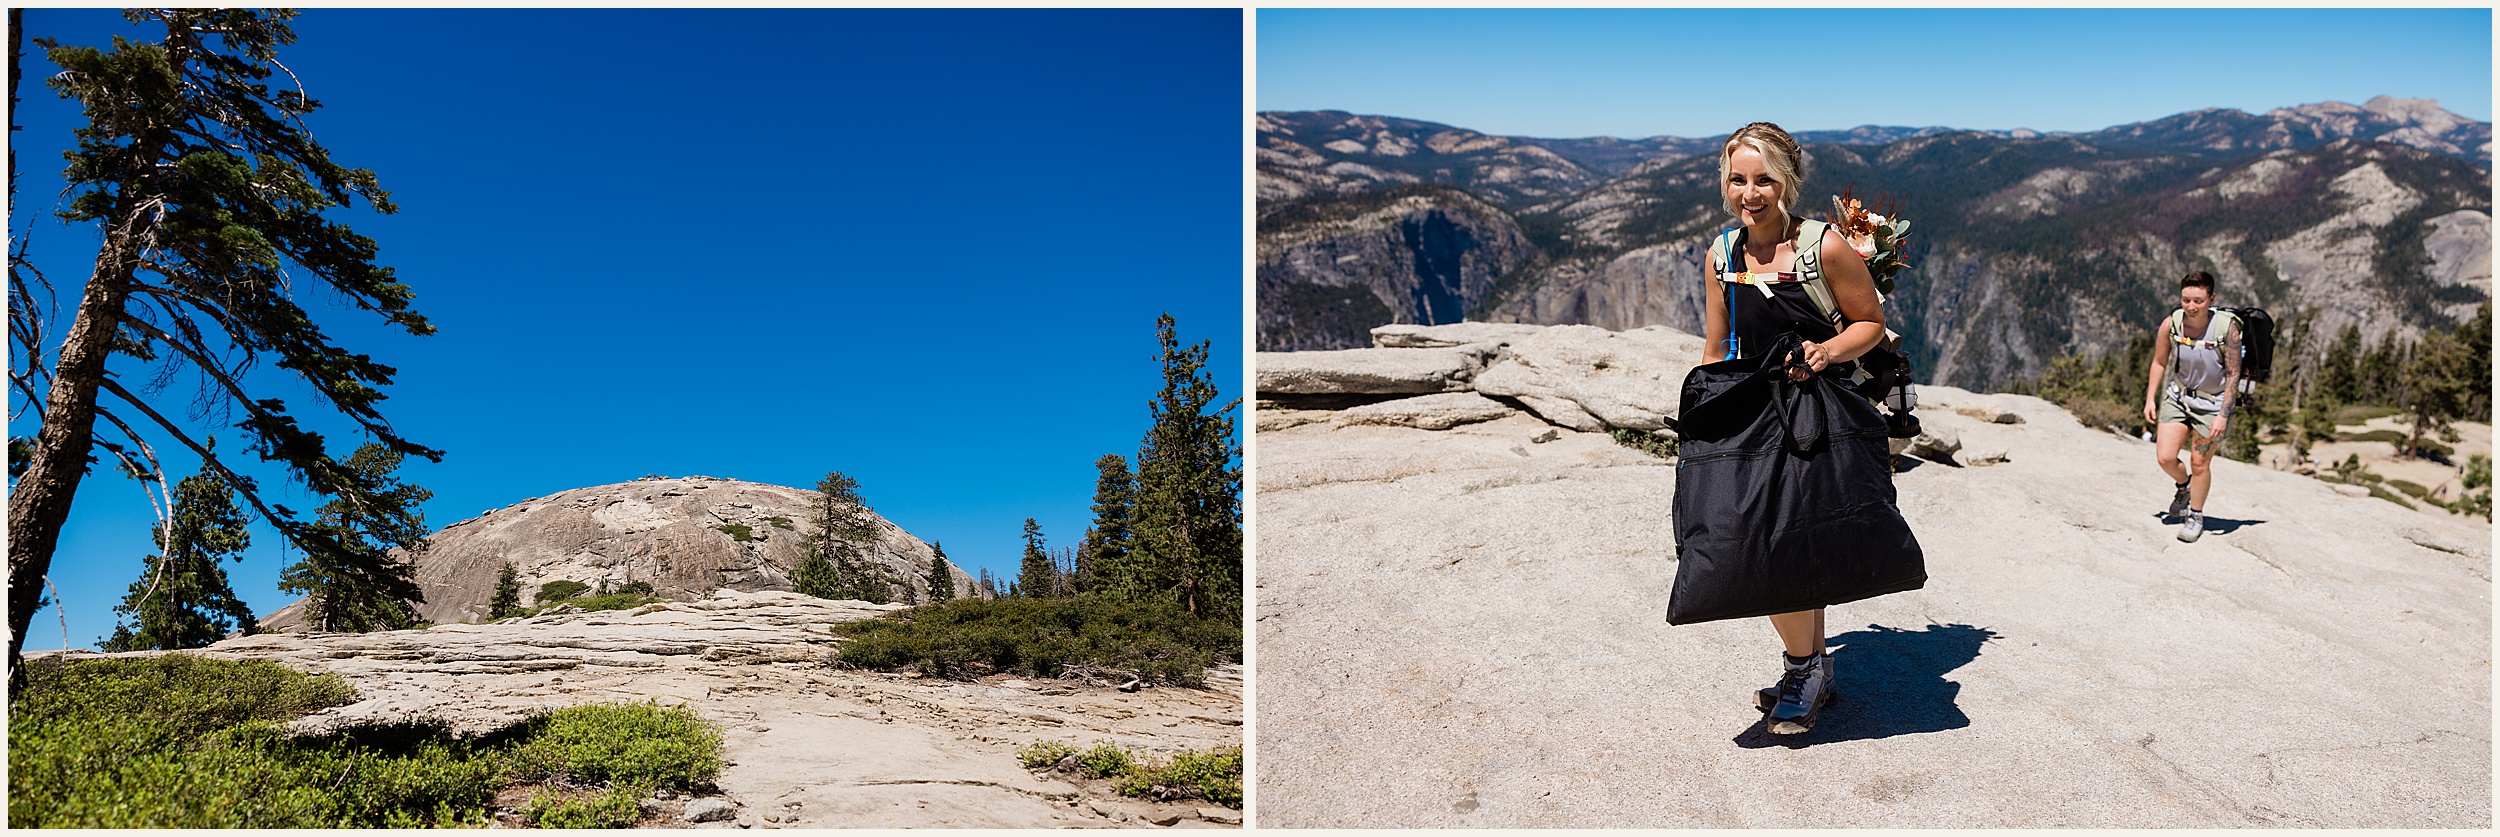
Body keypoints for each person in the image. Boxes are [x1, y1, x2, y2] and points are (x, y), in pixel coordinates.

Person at [1699, 122, 1890, 735]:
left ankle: (1803, 669)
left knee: (1782, 545)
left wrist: (1826, 353)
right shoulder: (1721, 255)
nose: (1749, 193)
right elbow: (1716, 345)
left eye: (1763, 180)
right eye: (1738, 179)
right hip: (1755, 417)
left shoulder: (1824, 248)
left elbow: (1871, 324)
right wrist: (1708, 417)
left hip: (1818, 415)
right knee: (1769, 540)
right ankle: (1811, 669)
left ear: (1788, 182)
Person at [2141, 271, 2242, 543]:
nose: (2191, 306)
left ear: (2211, 298)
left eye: (2198, 300)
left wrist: (2223, 414)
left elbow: (2234, 373)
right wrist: (2150, 398)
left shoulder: (2227, 328)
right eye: (2186, 300)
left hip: (2212, 404)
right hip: (2179, 397)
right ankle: (2184, 487)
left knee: (2199, 463)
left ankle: (2195, 515)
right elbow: (2159, 362)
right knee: (2165, 458)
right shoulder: (2171, 323)